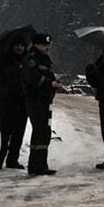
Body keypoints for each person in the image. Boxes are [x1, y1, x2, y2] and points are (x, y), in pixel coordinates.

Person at [21, 33, 61, 176]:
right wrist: (49, 83)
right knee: (39, 130)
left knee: (44, 132)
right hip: (35, 100)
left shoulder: (45, 60)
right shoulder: (31, 59)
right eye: (44, 44)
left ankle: (42, 164)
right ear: (37, 44)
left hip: (45, 101)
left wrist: (54, 82)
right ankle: (35, 165)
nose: (47, 47)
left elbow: (47, 75)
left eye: (48, 45)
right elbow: (32, 78)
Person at [0, 35, 28, 170]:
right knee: (4, 133)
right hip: (7, 102)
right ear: (12, 46)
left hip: (23, 102)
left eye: (22, 45)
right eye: (17, 45)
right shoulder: (2, 59)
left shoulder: (28, 61)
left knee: (18, 133)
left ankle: (12, 160)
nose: (19, 48)